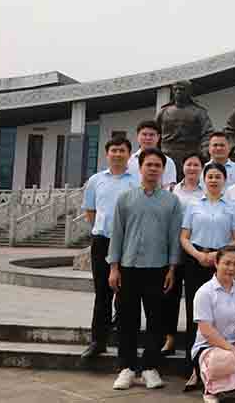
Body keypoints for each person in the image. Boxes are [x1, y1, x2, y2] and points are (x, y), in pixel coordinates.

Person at [107, 148, 183, 390]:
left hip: (158, 269)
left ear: (163, 170)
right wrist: (114, 267)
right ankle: (127, 368)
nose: (153, 169)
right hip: (128, 268)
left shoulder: (172, 201)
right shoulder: (125, 199)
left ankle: (150, 367)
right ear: (140, 168)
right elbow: (117, 234)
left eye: (157, 165)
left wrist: (172, 269)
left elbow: (174, 237)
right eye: (149, 164)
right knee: (126, 320)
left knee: (156, 320)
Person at [180, 162, 235, 391]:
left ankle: (223, 363)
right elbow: (184, 236)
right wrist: (199, 255)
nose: (214, 180)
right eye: (210, 176)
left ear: (225, 180)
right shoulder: (193, 204)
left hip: (224, 261)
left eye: (218, 176)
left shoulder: (234, 206)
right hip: (196, 260)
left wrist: (218, 255)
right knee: (195, 314)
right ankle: (194, 369)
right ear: (204, 179)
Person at [80, 136, 139, 362]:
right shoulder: (96, 180)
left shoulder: (136, 181)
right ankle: (98, 341)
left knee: (126, 294)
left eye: (122, 150)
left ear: (129, 154)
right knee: (102, 293)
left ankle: (125, 343)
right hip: (102, 241)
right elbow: (90, 211)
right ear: (107, 154)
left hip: (128, 242)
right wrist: (101, 228)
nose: (117, 154)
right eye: (113, 150)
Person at [191, 246, 235, 403]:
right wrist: (231, 349)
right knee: (226, 359)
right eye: (227, 263)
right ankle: (209, 389)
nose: (231, 268)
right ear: (216, 263)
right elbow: (206, 331)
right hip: (209, 347)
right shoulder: (205, 292)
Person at [162, 153, 206, 358]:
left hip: (194, 248)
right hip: (173, 246)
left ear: (202, 168)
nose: (192, 168)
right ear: (183, 167)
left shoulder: (206, 191)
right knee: (170, 293)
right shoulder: (172, 190)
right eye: (189, 164)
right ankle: (169, 337)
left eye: (196, 165)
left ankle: (194, 339)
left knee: (194, 296)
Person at [127, 120, 178, 188]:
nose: (148, 138)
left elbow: (169, 188)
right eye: (144, 134)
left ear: (158, 137)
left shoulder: (168, 161)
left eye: (151, 135)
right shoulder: (128, 161)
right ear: (138, 136)